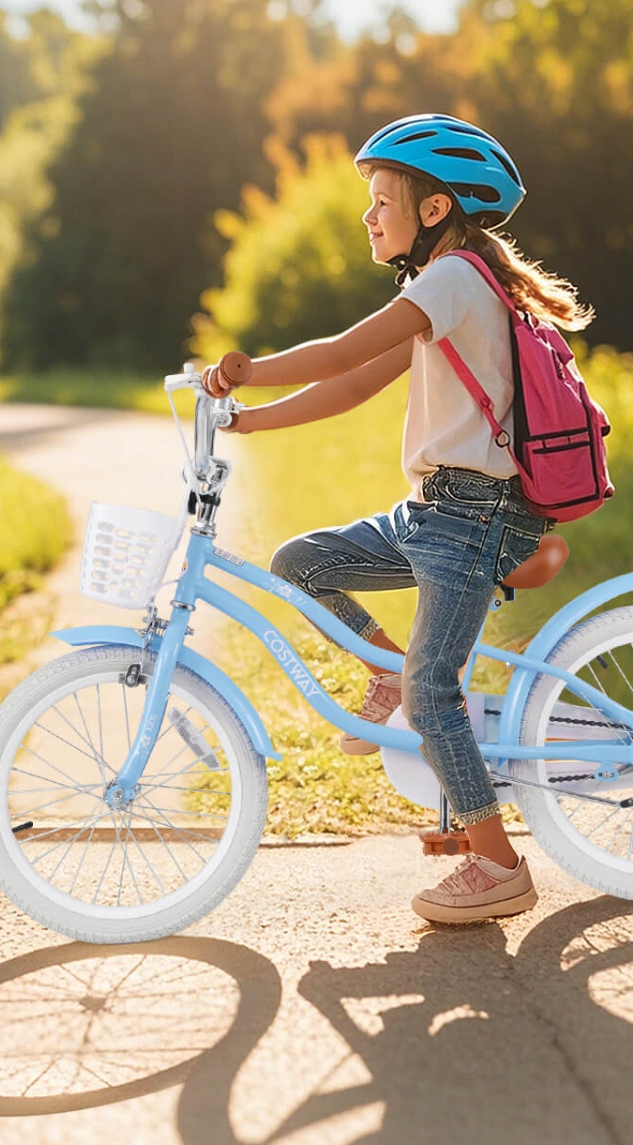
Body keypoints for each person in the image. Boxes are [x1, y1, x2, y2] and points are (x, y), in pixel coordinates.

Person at [202, 115, 593, 923]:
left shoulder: (453, 280)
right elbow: (353, 385)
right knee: (302, 562)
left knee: (433, 693)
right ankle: (384, 668)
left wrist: (248, 370)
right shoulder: (450, 285)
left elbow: (342, 354)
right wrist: (249, 421)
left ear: (435, 209)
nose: (369, 216)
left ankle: (499, 867)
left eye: (383, 201)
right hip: (433, 511)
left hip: (472, 515)